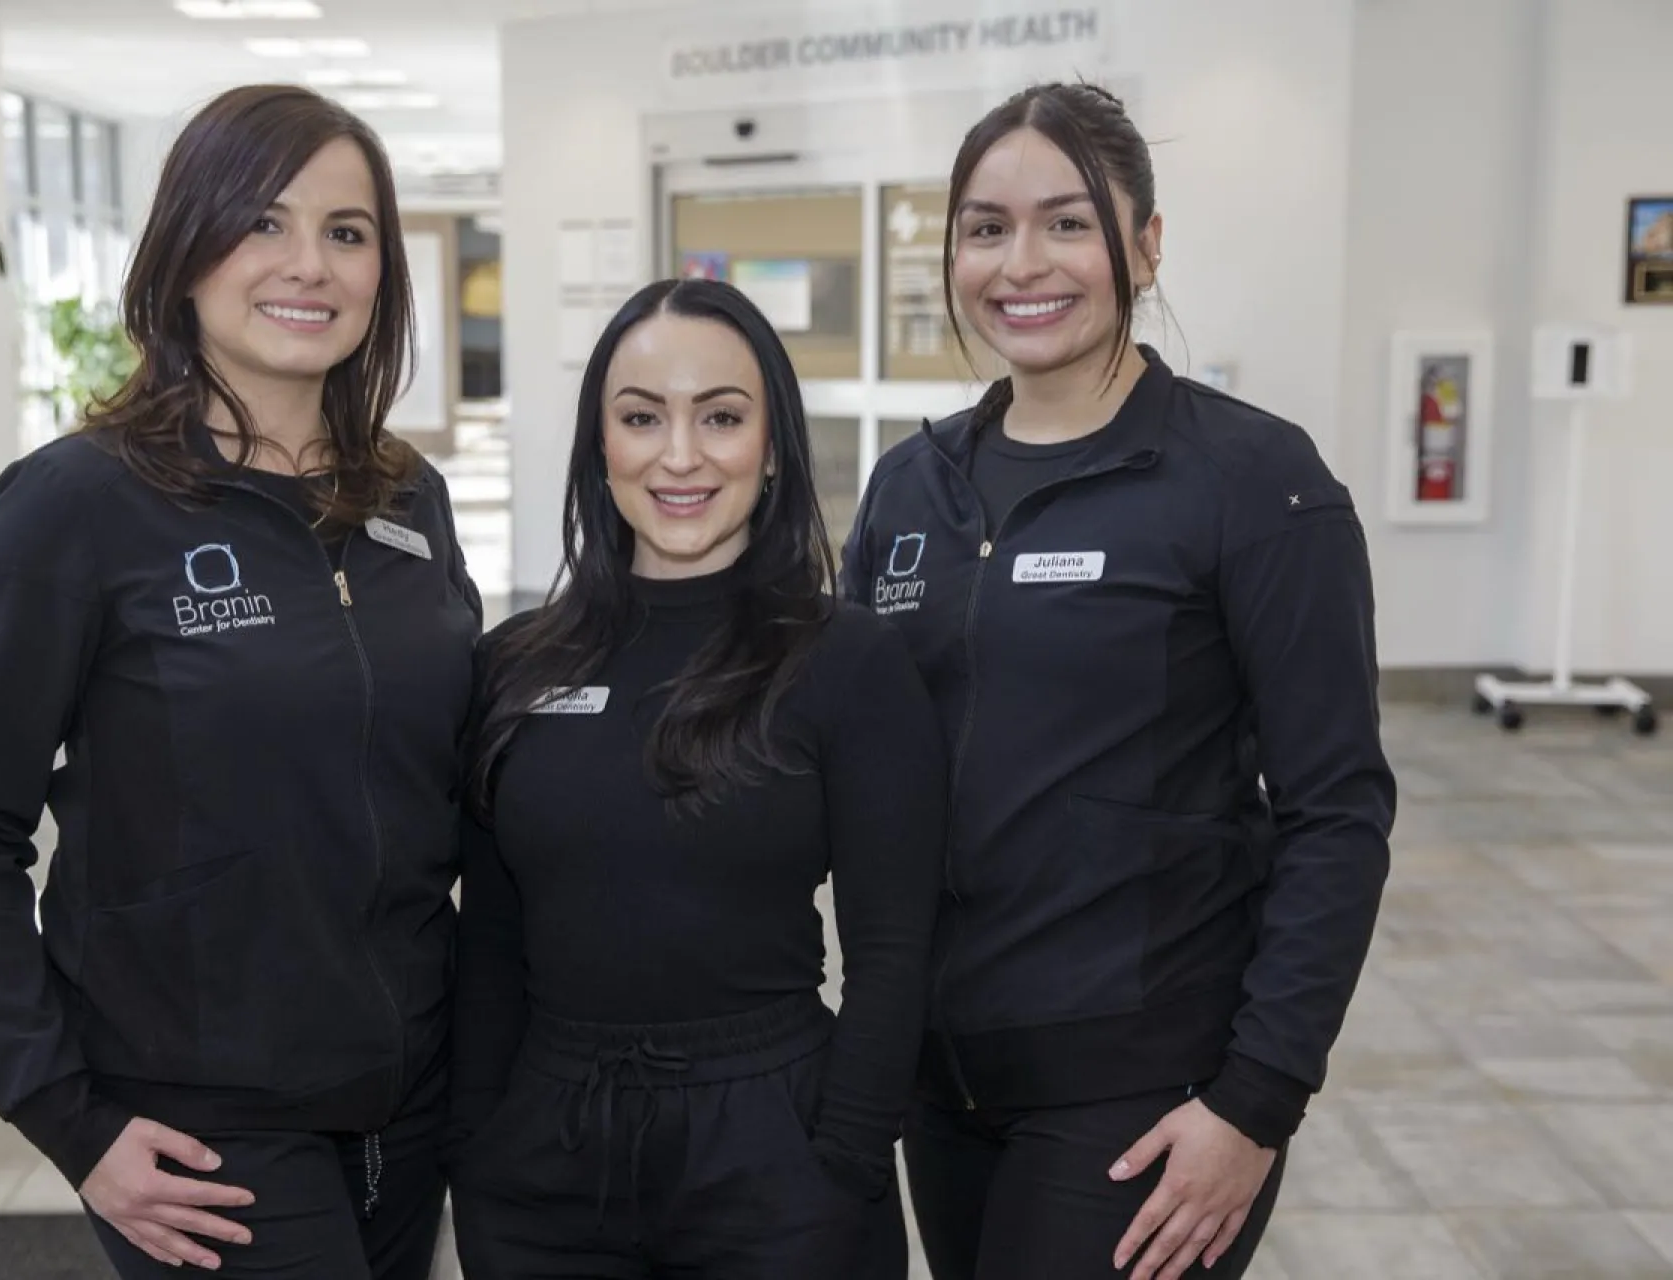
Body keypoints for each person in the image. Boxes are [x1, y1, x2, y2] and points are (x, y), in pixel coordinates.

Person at [0, 84, 482, 1278]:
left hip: (409, 1095)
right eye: (263, 222)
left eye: (346, 231)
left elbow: (445, 783)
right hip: (202, 1123)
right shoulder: (75, 506)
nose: (308, 264)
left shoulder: (404, 497)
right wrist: (63, 1114)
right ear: (185, 247)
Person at [841, 82, 1395, 1280]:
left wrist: (1255, 1101)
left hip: (1142, 1097)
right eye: (985, 227)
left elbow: (1337, 812)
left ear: (1145, 244)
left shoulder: (1252, 480)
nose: (1021, 262)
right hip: (943, 1080)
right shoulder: (909, 489)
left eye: (1068, 221)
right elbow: (841, 760)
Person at [448, 278, 944, 1279]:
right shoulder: (515, 664)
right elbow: (493, 941)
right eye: (642, 417)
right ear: (600, 444)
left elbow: (895, 948)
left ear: (771, 446)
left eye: (720, 416)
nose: (680, 455)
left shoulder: (845, 659)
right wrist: (480, 1147)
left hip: (774, 1151)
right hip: (549, 1157)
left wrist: (842, 1157)